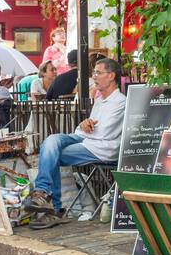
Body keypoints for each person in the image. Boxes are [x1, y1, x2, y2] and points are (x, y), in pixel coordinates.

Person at [23, 58, 127, 219]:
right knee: (51, 140)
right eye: (94, 73)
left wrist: (87, 126)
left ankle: (52, 203)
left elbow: (104, 133)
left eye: (98, 73)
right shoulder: (100, 100)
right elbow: (84, 128)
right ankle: (43, 192)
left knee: (51, 154)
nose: (95, 77)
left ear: (111, 75)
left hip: (101, 147)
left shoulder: (120, 101)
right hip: (85, 138)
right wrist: (85, 124)